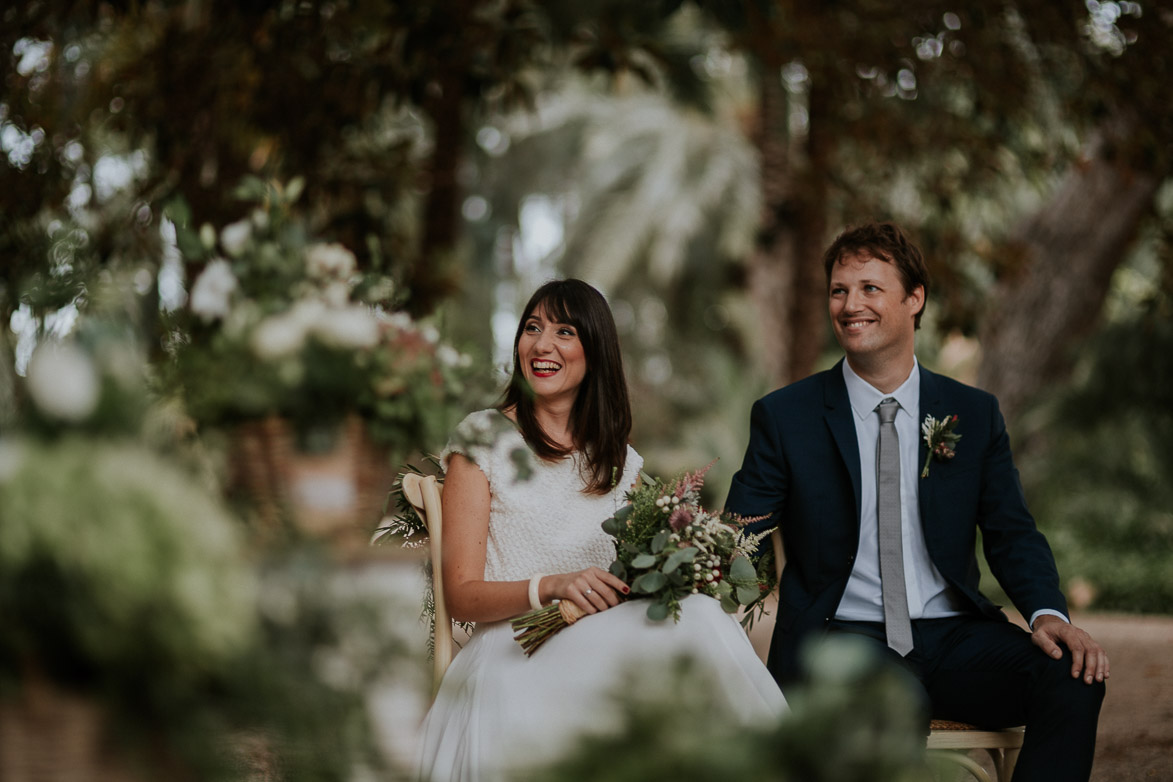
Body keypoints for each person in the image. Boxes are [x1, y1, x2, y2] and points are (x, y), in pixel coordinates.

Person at [725, 222, 1107, 781]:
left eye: (869, 288)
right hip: (844, 639)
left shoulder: (972, 414)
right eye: (839, 290)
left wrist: (1048, 614)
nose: (850, 304)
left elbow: (1011, 532)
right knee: (892, 703)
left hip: (956, 636)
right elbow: (741, 532)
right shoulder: (787, 416)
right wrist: (691, 560)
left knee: (1074, 677)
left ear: (915, 298)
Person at [415, 279, 785, 782]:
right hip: (512, 651)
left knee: (696, 613)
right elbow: (460, 595)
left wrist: (677, 567)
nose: (542, 345)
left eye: (564, 331)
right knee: (698, 623)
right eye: (532, 328)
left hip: (600, 652)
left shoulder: (620, 462)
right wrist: (550, 585)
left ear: (595, 352)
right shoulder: (483, 439)